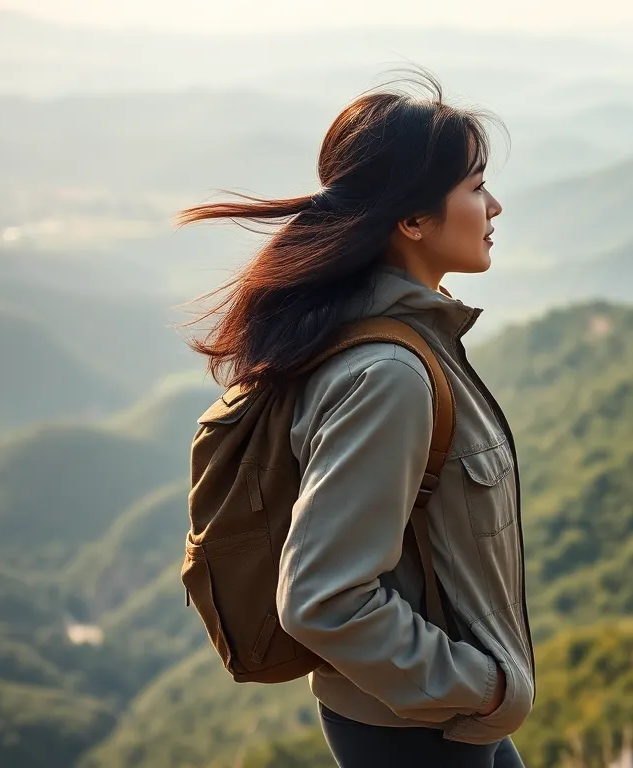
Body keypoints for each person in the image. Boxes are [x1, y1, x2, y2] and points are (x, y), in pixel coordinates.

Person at [178, 71, 532, 767]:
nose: (494, 205)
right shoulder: (389, 376)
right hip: (419, 731)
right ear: (411, 220)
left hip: (436, 718)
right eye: (474, 186)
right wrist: (481, 687)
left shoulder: (397, 340)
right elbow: (322, 599)